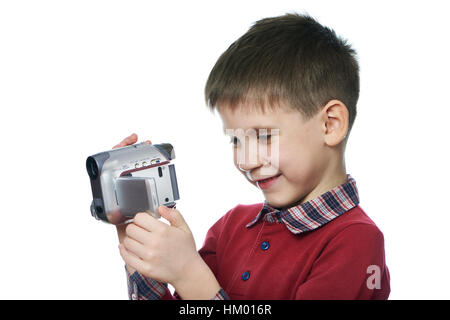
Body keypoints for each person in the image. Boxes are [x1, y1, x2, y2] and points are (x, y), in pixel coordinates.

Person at [114, 13, 390, 300]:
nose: (246, 161)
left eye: (263, 136)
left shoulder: (357, 241)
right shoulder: (230, 228)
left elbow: (197, 286)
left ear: (330, 125)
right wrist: (140, 256)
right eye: (236, 139)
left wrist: (189, 275)